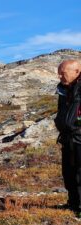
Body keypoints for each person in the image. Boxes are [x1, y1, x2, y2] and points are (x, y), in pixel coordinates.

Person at [54, 59, 81, 214]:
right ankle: (73, 203)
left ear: (77, 71)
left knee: (80, 172)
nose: (59, 76)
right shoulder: (64, 89)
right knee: (69, 172)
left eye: (62, 73)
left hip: (79, 136)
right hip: (67, 137)